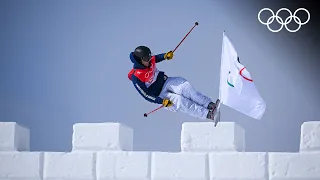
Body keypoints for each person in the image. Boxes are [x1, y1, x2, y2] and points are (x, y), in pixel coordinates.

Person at [128, 45, 219, 120]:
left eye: (149, 56)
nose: (149, 59)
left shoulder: (149, 60)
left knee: (185, 87)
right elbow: (146, 95)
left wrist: (165, 56)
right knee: (180, 101)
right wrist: (162, 101)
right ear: (140, 60)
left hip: (166, 81)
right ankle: (207, 114)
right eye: (146, 58)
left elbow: (156, 58)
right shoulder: (136, 77)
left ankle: (209, 104)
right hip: (161, 95)